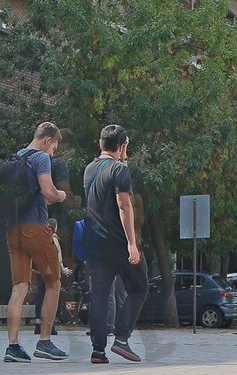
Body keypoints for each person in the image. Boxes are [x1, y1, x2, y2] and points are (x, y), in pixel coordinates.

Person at [3, 122, 67, 363]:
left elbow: (34, 194)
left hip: (13, 230)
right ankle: (45, 341)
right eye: (54, 148)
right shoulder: (41, 158)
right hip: (34, 229)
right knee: (54, 282)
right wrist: (61, 195)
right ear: (48, 140)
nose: (53, 153)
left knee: (19, 287)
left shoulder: (17, 156)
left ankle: (13, 347)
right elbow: (49, 192)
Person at [84, 125, 148, 364]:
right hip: (118, 242)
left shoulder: (89, 169)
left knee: (99, 295)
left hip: (95, 243)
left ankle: (98, 351)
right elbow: (123, 206)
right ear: (121, 146)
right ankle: (121, 338)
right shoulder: (119, 169)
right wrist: (132, 243)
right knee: (139, 286)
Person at [32, 218, 72, 334]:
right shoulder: (53, 238)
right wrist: (63, 269)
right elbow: (57, 256)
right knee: (52, 297)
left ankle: (38, 324)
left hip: (42, 270)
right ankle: (49, 324)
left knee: (41, 295)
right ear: (55, 227)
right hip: (52, 271)